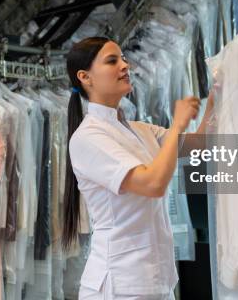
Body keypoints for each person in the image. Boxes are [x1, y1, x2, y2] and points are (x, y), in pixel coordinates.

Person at [63, 37, 214, 299]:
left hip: (154, 279)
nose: (125, 65)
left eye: (123, 58)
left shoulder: (139, 129)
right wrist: (177, 124)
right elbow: (152, 185)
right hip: (120, 284)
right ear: (85, 77)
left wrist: (218, 91)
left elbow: (199, 144)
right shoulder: (88, 138)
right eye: (112, 61)